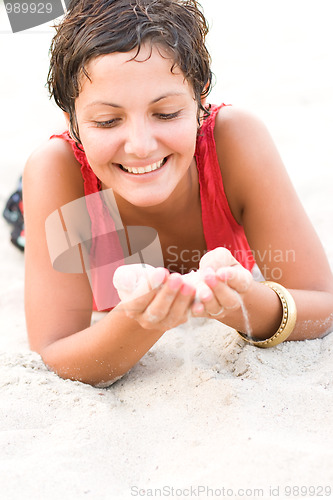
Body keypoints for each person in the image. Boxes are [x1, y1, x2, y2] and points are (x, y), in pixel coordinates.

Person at [23, 0, 333, 387]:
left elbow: (322, 302)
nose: (140, 145)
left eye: (166, 113)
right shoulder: (58, 171)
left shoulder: (234, 142)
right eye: (107, 121)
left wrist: (245, 305)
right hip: (59, 199)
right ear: (71, 121)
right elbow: (52, 351)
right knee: (23, 222)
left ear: (201, 99)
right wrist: (141, 322)